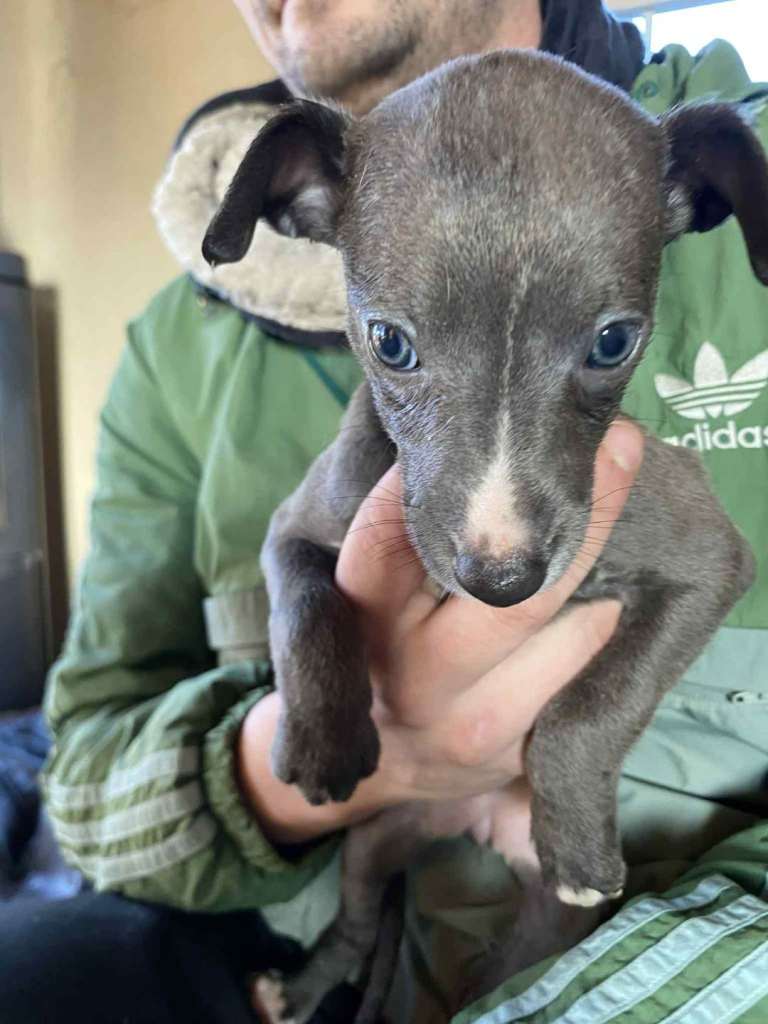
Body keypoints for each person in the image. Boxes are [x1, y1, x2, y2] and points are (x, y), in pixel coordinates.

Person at [4, 1, 767, 1021]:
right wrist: (315, 752)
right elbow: (82, 778)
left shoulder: (687, 160)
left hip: (657, 916)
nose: (497, 541)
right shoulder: (174, 349)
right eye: (398, 349)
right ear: (303, 198)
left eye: (606, 345)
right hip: (316, 907)